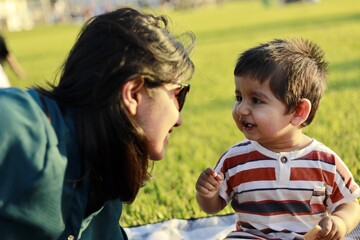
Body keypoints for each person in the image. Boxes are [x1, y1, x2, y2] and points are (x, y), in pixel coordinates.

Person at [0, 7, 195, 239]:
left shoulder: (105, 185)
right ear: (133, 94)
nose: (179, 118)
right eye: (178, 95)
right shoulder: (20, 126)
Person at [196, 38, 360, 240]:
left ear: (298, 111)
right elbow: (214, 207)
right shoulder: (235, 158)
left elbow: (349, 204)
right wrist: (207, 194)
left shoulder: (325, 162)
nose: (241, 109)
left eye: (256, 100)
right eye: (239, 98)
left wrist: (340, 222)